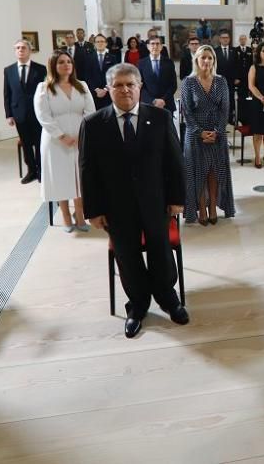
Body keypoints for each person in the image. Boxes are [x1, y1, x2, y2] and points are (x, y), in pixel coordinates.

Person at [80, 63, 189, 339]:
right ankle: (137, 306)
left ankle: (168, 298)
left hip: (157, 203)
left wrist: (177, 198)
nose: (125, 90)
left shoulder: (161, 118)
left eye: (131, 84)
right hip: (117, 208)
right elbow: (87, 170)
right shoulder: (93, 125)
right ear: (109, 89)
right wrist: (93, 210)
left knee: (160, 251)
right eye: (118, 85)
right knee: (127, 257)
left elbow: (175, 163)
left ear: (140, 87)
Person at [34, 50, 96, 232]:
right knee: (60, 177)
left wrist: (82, 135)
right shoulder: (44, 88)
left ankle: (80, 214)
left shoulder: (82, 85)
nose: (66, 65)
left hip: (80, 138)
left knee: (79, 177)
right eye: (61, 62)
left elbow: (90, 111)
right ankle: (66, 216)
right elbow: (43, 116)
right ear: (54, 65)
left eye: (68, 61)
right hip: (55, 140)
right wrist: (61, 136)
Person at [181, 45, 235, 225]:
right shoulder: (188, 82)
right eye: (203, 57)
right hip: (195, 134)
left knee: (214, 171)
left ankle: (213, 206)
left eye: (210, 58)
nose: (206, 61)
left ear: (214, 61)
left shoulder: (221, 81)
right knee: (198, 172)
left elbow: (225, 109)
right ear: (196, 60)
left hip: (217, 133)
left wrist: (217, 131)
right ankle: (202, 207)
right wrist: (200, 132)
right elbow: (186, 112)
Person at [4, 39, 47, 183]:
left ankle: (41, 170)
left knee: (40, 142)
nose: (20, 50)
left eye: (23, 48)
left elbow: (46, 91)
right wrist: (8, 114)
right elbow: (7, 93)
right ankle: (31, 171)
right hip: (19, 113)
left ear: (29, 51)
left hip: (37, 113)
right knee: (26, 143)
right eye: (17, 48)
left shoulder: (40, 69)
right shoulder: (8, 70)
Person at [140, 36, 177, 111]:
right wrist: (153, 100)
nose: (155, 46)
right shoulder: (141, 63)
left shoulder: (169, 63)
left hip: (167, 104)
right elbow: (140, 86)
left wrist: (163, 100)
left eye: (158, 44)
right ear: (148, 46)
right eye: (152, 44)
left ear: (161, 47)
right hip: (148, 104)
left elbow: (173, 85)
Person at [85, 33, 118, 108]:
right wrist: (96, 89)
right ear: (94, 44)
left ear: (106, 43)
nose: (100, 43)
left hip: (108, 93)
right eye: (98, 42)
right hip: (93, 94)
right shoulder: (88, 58)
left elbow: (115, 76)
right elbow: (87, 76)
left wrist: (105, 89)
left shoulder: (113, 58)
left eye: (102, 41)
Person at [214, 30, 237, 123]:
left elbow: (237, 65)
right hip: (219, 80)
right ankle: (221, 119)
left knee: (230, 99)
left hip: (231, 80)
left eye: (227, 38)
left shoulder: (234, 51)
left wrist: (237, 77)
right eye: (223, 38)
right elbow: (213, 66)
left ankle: (230, 118)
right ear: (220, 39)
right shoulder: (215, 51)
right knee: (220, 100)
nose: (225, 39)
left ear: (229, 39)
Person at [234, 34, 254, 123]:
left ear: (246, 40)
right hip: (240, 79)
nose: (242, 40)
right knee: (240, 98)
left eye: (244, 39)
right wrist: (236, 77)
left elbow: (252, 64)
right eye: (241, 39)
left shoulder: (250, 50)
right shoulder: (235, 50)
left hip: (249, 78)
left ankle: (248, 115)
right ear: (239, 40)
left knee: (249, 98)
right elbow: (234, 65)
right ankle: (240, 116)